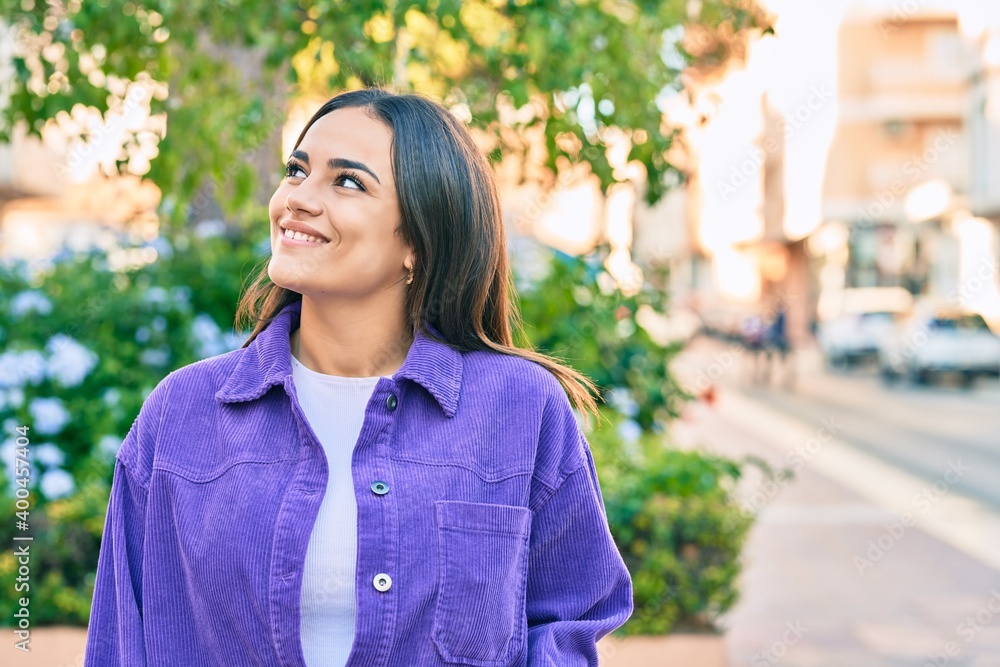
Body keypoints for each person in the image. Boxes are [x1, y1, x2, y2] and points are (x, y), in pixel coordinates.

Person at [84, 88, 633, 666]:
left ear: (417, 242)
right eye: (297, 170)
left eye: (347, 182)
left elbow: (570, 617)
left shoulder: (519, 409)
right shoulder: (183, 412)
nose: (298, 198)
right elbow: (122, 638)